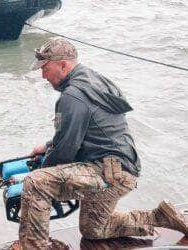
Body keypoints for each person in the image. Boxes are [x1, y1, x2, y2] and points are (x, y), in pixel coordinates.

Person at [17, 37, 188, 249]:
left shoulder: (73, 95)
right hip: (124, 168)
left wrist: (41, 174)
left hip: (108, 170)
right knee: (94, 230)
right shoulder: (93, 79)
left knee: (36, 182)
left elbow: (64, 151)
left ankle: (33, 246)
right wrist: (47, 146)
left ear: (63, 65)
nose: (42, 75)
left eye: (45, 68)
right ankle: (159, 217)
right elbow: (82, 131)